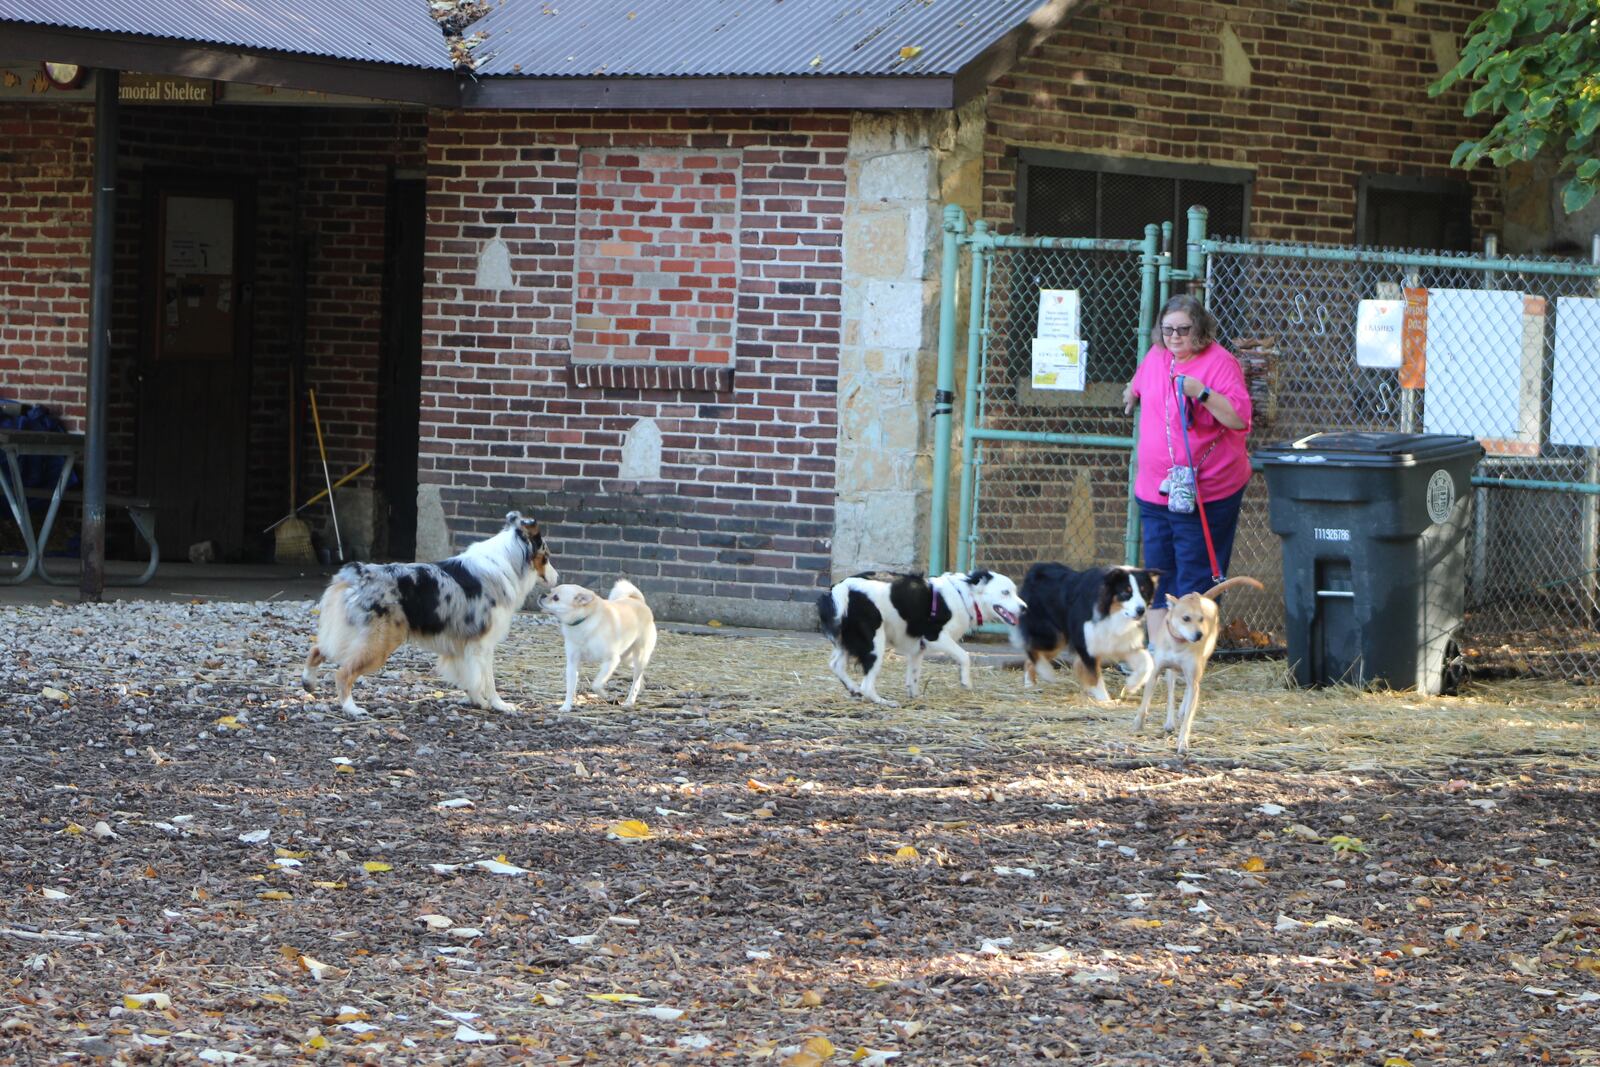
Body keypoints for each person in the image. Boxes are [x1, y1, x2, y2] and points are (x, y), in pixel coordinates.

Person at [1121, 294, 1252, 632]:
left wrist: (1202, 393)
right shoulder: (1157, 356)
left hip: (1205, 491)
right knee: (1159, 573)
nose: (1175, 337)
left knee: (1194, 575)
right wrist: (1130, 393)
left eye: (1183, 329)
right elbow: (1140, 384)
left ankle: (1189, 654)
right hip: (1155, 489)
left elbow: (1238, 418)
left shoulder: (1221, 363)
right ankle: (1157, 652)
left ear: (1200, 330)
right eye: (1168, 330)